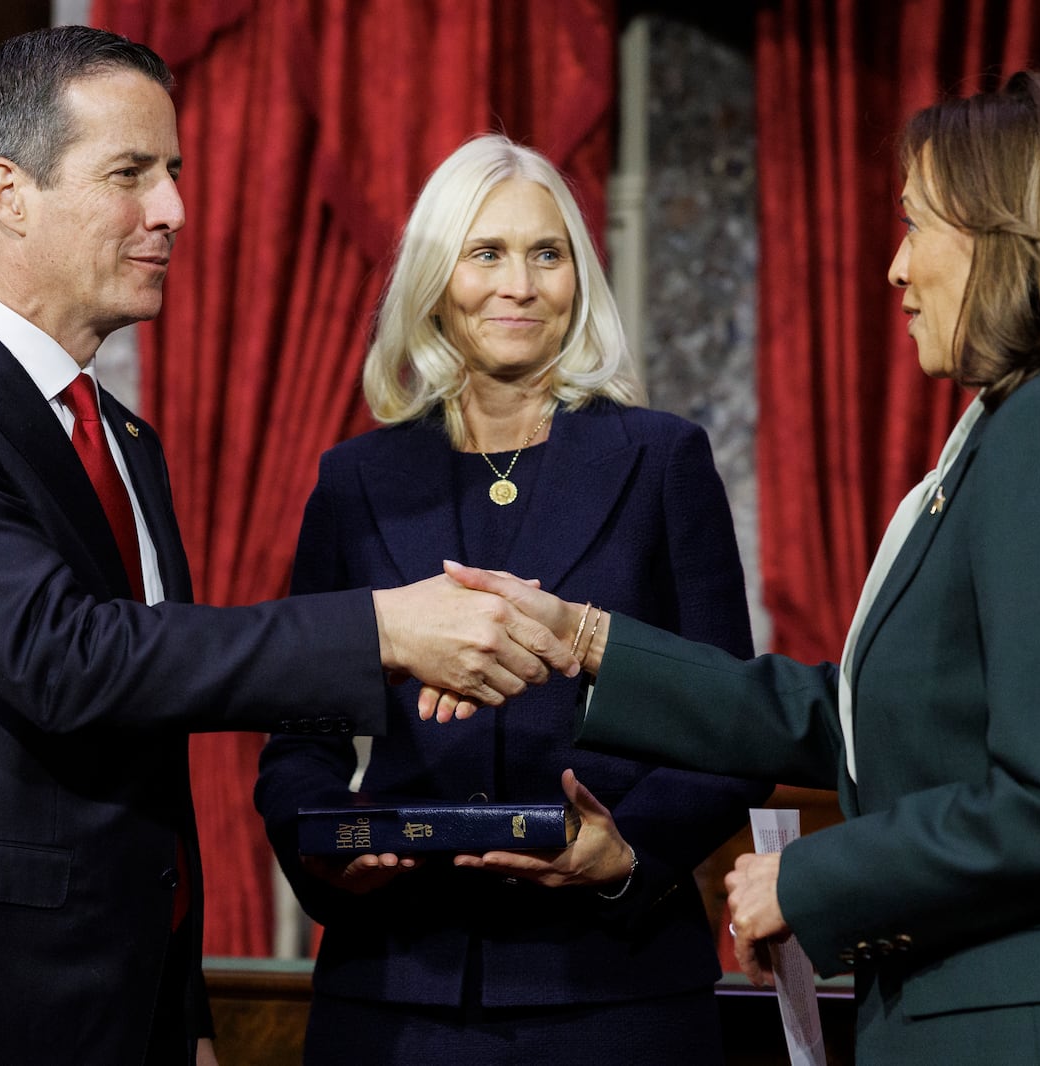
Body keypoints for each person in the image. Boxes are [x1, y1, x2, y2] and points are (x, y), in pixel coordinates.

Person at [446, 71, 1040, 1065]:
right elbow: (858, 716)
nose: (894, 268)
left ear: (1013, 236)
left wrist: (809, 882)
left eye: (915, 225)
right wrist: (582, 641)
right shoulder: (1024, 429)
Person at [0, 28, 571, 1066]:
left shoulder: (124, 442)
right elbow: (66, 660)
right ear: (9, 192)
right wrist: (380, 627)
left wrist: (181, 1007)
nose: (174, 210)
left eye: (174, 174)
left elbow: (146, 737)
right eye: (131, 175)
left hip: (128, 1010)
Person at [253, 134, 770, 1065]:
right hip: (394, 988)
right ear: (434, 279)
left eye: (548, 253)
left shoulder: (663, 462)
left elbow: (731, 723)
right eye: (485, 253)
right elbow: (301, 741)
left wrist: (626, 854)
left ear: (580, 276)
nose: (519, 285)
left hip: (617, 984)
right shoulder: (353, 480)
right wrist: (328, 848)